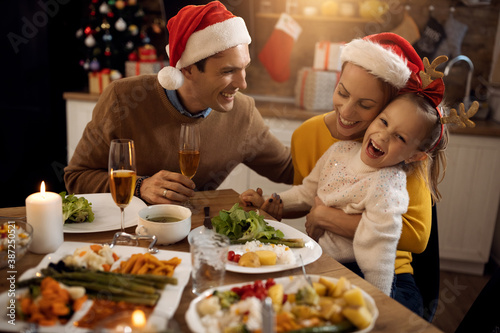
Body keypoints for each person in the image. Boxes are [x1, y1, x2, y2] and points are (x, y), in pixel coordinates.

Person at [242, 32, 434, 315]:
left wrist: (328, 218)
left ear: (387, 107)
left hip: (388, 273)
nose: (346, 110)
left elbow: (416, 237)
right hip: (326, 261)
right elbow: (310, 197)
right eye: (342, 92)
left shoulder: (399, 152)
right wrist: (275, 205)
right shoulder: (308, 137)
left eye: (366, 105)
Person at [64, 1, 293, 205]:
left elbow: (289, 169)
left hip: (197, 236)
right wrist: (139, 186)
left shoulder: (243, 114)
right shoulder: (123, 98)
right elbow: (76, 177)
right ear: (188, 69)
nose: (242, 83)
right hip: (130, 236)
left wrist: (328, 122)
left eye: (244, 68)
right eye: (228, 71)